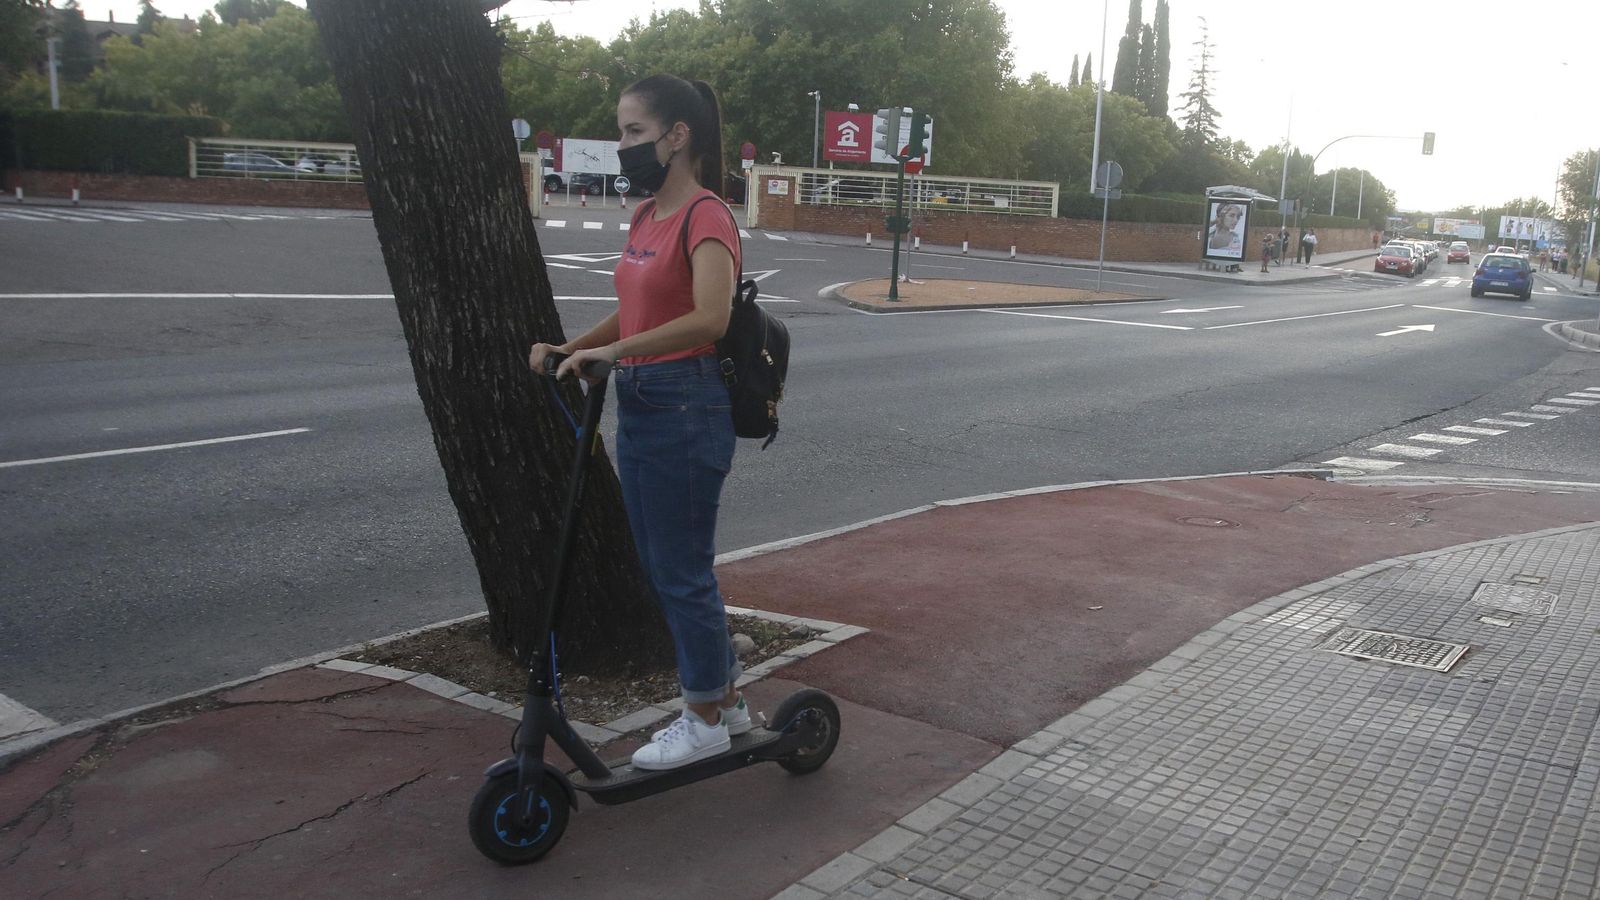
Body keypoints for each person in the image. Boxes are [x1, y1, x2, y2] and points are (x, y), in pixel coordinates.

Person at [528, 73, 747, 771]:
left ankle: (705, 716)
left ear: (675, 137)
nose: (622, 146)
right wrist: (578, 346)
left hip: (687, 401)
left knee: (680, 571)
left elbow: (710, 318)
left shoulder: (705, 215)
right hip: (646, 399)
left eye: (632, 133)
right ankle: (729, 703)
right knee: (662, 565)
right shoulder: (646, 216)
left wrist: (616, 352)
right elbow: (637, 311)